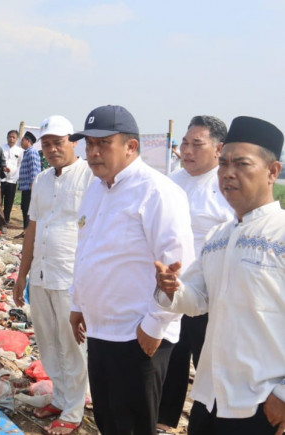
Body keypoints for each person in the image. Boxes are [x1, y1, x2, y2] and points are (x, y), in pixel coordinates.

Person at [68, 105, 194, 435]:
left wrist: (155, 326)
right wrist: (77, 304)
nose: (93, 153)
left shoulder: (158, 192)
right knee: (108, 421)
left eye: (103, 143)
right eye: (89, 144)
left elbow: (178, 270)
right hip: (99, 330)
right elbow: (86, 250)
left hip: (137, 335)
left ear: (131, 146)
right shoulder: (96, 187)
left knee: (134, 427)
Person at [154, 116, 285, 435]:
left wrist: (282, 394)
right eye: (224, 163)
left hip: (260, 403)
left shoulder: (280, 235)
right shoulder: (219, 236)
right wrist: (171, 288)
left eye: (241, 164)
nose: (228, 173)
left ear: (272, 171)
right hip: (210, 397)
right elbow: (197, 300)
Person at [13, 115, 93, 435]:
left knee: (72, 345)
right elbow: (33, 227)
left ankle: (73, 412)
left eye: (58, 142)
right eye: (46, 144)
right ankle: (60, 398)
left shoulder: (89, 176)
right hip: (42, 275)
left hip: (71, 275)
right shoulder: (42, 180)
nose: (52, 149)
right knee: (48, 342)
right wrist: (23, 274)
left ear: (73, 142)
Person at [157, 115, 234, 433]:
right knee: (170, 359)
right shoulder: (171, 182)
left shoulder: (226, 187)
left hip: (210, 294)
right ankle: (163, 422)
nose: (187, 150)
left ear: (218, 149)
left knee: (209, 364)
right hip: (171, 289)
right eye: (185, 143)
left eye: (196, 144)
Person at [18, 130, 41, 231]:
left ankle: (27, 231)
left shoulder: (32, 152)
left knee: (28, 209)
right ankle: (25, 230)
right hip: (26, 187)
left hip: (30, 187)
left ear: (28, 141)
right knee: (24, 208)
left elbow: (34, 169)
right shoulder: (27, 153)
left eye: (22, 140)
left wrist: (33, 184)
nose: (21, 142)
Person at [0, 130, 23, 225]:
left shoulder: (20, 151)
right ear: (7, 137)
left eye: (13, 137)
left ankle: (6, 220)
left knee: (9, 201)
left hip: (12, 180)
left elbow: (20, 165)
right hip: (0, 178)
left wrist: (15, 175)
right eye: (10, 137)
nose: (11, 139)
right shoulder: (1, 148)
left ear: (17, 139)